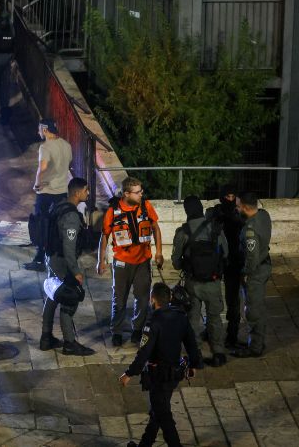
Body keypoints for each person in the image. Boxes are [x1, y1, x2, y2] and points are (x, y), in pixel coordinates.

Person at [119, 283, 203, 447]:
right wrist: (194, 364)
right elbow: (192, 344)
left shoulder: (153, 323)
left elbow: (144, 353)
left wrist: (129, 373)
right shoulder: (181, 317)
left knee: (163, 416)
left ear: (153, 300)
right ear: (170, 298)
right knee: (158, 411)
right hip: (174, 375)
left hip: (158, 376)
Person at [98, 177, 165, 347]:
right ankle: (117, 331)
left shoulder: (145, 206)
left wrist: (159, 252)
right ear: (126, 193)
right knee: (119, 299)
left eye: (141, 191)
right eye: (137, 192)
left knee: (142, 299)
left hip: (143, 260)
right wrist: (101, 260)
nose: (141, 194)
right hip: (122, 262)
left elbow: (155, 228)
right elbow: (104, 236)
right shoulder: (113, 211)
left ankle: (137, 329)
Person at [40, 177, 96, 356]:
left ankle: (46, 337)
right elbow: (69, 247)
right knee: (70, 298)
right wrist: (76, 271)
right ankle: (70, 343)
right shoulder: (71, 215)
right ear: (77, 192)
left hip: (51, 256)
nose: (88, 193)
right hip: (62, 261)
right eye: (86, 190)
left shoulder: (58, 205)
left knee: (53, 295)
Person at [172, 195, 229, 367]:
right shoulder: (215, 228)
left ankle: (194, 354)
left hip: (193, 283)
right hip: (213, 282)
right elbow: (225, 253)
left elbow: (175, 262)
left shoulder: (183, 232)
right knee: (215, 317)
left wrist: (187, 264)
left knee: (192, 318)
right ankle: (218, 352)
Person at [23, 118, 72, 271]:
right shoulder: (67, 145)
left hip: (47, 192)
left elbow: (42, 168)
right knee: (57, 226)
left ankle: (39, 260)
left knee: (41, 226)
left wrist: (37, 184)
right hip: (62, 190)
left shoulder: (45, 147)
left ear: (45, 130)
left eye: (39, 129)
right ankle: (58, 258)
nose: (38, 132)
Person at [230, 191, 272, 358]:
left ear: (246, 207)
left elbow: (252, 258)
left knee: (253, 310)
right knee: (257, 305)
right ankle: (258, 342)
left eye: (238, 206)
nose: (236, 207)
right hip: (265, 263)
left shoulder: (250, 231)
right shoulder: (264, 215)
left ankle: (255, 347)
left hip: (256, 271)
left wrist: (245, 273)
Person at [206, 185, 245, 348]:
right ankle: (210, 331)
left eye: (232, 196)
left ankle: (232, 334)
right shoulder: (214, 213)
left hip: (234, 262)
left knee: (233, 300)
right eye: (227, 196)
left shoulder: (239, 213)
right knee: (211, 298)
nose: (230, 199)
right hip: (217, 261)